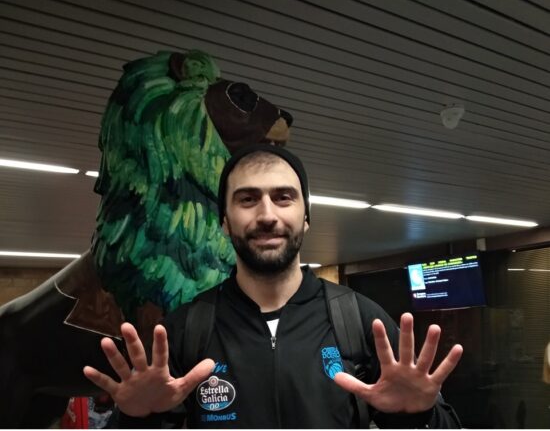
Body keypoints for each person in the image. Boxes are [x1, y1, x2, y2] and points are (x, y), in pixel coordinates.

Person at [84, 144, 464, 428]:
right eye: (247, 199)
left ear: (306, 217)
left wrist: (417, 417)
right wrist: (137, 421)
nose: (267, 215)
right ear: (225, 221)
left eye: (283, 197)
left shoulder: (361, 321)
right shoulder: (186, 329)